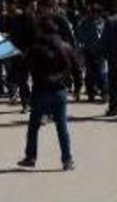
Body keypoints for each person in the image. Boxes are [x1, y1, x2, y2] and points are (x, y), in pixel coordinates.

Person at [17, 18, 76, 171]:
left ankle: (31, 157)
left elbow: (23, 66)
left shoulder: (35, 48)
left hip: (40, 90)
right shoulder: (66, 46)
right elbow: (75, 68)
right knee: (62, 126)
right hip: (59, 90)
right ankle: (67, 160)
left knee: (33, 126)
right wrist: (77, 86)